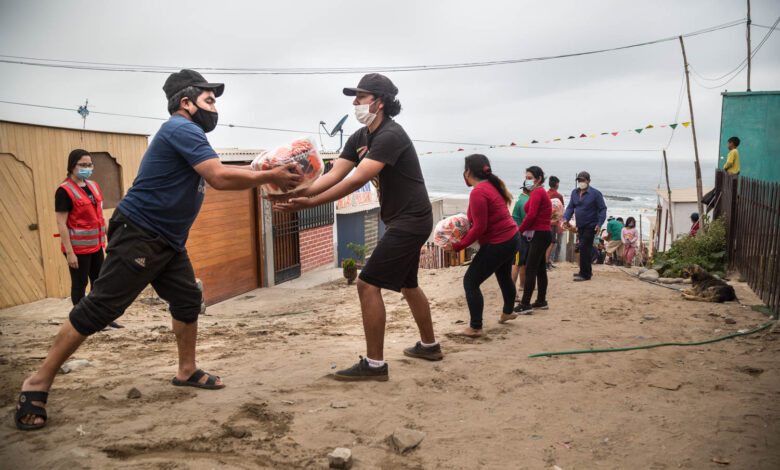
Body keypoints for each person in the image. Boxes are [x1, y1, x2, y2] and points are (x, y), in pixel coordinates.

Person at [15, 69, 303, 430]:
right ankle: (37, 382)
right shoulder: (181, 128)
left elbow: (222, 173)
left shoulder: (190, 135)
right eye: (209, 100)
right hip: (141, 233)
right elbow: (218, 176)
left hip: (167, 240)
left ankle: (186, 370)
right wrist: (270, 176)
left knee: (186, 301)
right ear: (186, 102)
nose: (215, 109)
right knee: (100, 307)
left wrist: (265, 174)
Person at [277, 73, 441, 381]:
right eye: (355, 97)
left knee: (367, 283)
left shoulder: (391, 135)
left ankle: (375, 365)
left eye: (361, 97)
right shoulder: (360, 137)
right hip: (400, 220)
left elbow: (357, 179)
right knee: (408, 284)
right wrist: (300, 192)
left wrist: (312, 204)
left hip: (412, 220)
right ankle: (429, 346)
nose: (355, 102)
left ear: (379, 103)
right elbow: (334, 174)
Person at [447, 155, 520, 337]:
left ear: (468, 172)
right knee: (503, 276)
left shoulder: (478, 192)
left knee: (470, 281)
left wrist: (458, 247)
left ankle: (475, 327)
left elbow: (480, 227)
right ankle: (508, 311)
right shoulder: (491, 186)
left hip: (500, 242)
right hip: (512, 238)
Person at [55, 149, 123, 330]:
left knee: (99, 283)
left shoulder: (92, 185)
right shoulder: (64, 191)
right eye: (82, 165)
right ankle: (81, 322)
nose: (87, 168)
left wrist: (111, 237)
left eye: (89, 165)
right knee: (80, 285)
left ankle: (102, 319)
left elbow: (98, 216)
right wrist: (70, 252)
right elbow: (61, 224)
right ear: (72, 166)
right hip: (77, 249)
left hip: (96, 245)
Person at [514, 166, 552, 314]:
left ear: (539, 179)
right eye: (526, 178)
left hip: (540, 234)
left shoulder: (538, 193)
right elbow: (530, 211)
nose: (527, 180)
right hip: (542, 234)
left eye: (530, 178)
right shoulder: (537, 193)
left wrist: (519, 231)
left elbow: (531, 216)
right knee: (540, 269)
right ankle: (541, 301)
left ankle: (525, 304)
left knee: (530, 269)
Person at [562, 171, 607, 282]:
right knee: (584, 248)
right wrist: (565, 219)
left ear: (588, 181)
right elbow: (570, 207)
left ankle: (585, 274)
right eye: (579, 180)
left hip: (590, 226)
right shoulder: (575, 193)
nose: (581, 182)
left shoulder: (595, 194)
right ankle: (585, 271)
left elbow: (602, 209)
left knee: (584, 248)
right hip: (580, 226)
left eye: (583, 180)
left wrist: (599, 224)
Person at [511, 185, 531, 297]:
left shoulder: (522, 198)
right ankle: (512, 291)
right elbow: (527, 220)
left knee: (522, 262)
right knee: (516, 263)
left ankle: (522, 285)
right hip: (518, 235)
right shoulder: (525, 201)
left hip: (521, 234)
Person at [546, 176, 564, 269]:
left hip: (544, 222)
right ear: (557, 184)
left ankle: (547, 261)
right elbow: (561, 210)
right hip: (553, 223)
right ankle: (547, 263)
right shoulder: (559, 196)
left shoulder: (545, 194)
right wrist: (561, 225)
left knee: (546, 243)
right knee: (552, 242)